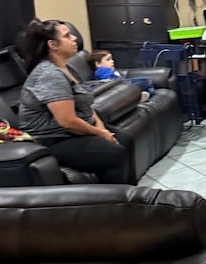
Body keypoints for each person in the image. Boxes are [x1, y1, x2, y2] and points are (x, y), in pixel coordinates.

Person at [18, 19, 133, 184]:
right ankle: (114, 204)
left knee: (126, 140)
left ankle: (135, 199)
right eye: (67, 36)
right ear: (53, 45)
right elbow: (67, 121)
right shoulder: (49, 75)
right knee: (115, 153)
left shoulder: (67, 68)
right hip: (54, 139)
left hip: (73, 132)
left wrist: (99, 126)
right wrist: (99, 133)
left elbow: (85, 103)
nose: (74, 39)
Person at [87, 50, 154, 101]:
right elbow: (109, 81)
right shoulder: (101, 70)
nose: (112, 61)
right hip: (120, 85)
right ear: (98, 64)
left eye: (111, 59)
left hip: (123, 84)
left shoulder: (108, 70)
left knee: (151, 89)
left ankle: (139, 98)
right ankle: (138, 97)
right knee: (147, 81)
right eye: (108, 59)